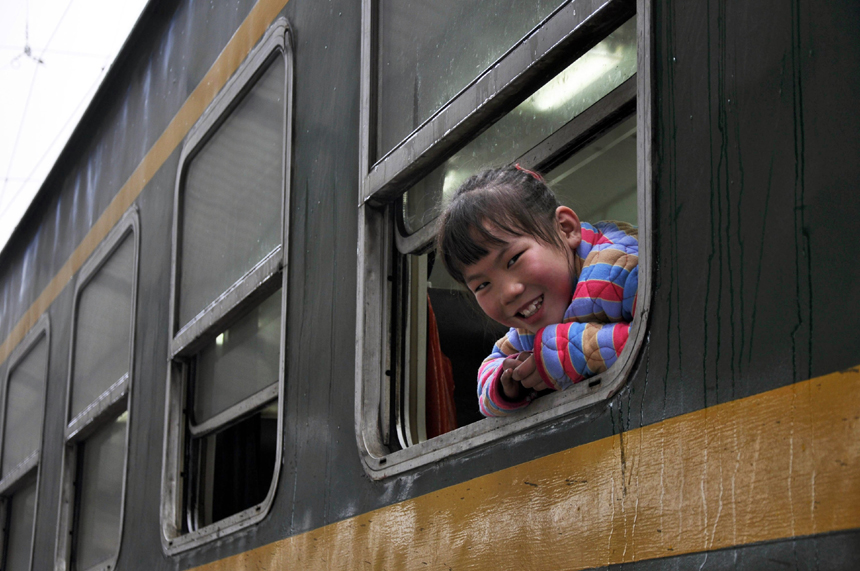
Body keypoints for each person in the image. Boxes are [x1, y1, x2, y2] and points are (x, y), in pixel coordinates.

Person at [436, 166, 638, 417]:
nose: (508, 292)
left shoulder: (622, 268)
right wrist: (508, 381)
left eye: (513, 260)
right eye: (482, 285)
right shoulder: (527, 327)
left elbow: (669, 333)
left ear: (566, 229)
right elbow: (490, 370)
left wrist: (561, 354)